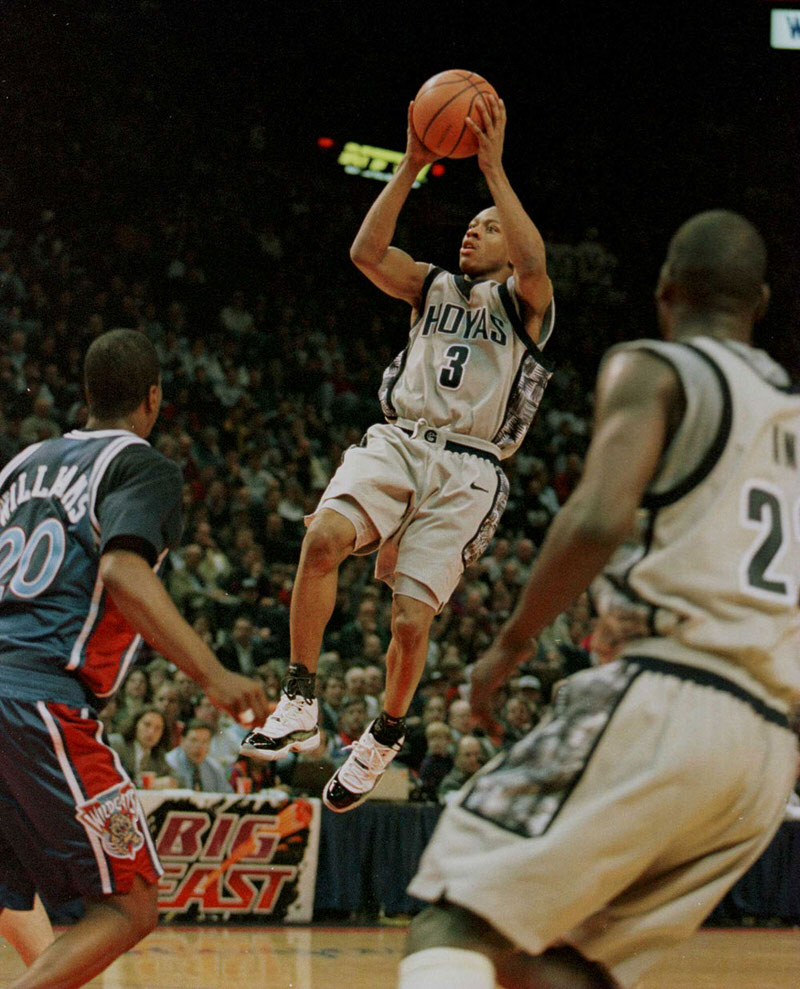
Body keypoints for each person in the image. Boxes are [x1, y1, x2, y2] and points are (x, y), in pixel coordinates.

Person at [399, 210, 800, 989]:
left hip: (673, 694)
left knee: (451, 913)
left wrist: (510, 643)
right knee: (554, 965)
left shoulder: (655, 367)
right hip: (766, 755)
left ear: (664, 291)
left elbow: (597, 516)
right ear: (761, 300)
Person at [242, 93, 556, 813]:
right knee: (321, 537)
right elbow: (365, 253)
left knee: (410, 621)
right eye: (470, 225)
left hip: (471, 468)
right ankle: (299, 694)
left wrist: (493, 170)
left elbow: (535, 258)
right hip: (401, 438)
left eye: (487, 228)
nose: (472, 234)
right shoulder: (433, 284)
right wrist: (413, 161)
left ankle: (383, 734)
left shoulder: (525, 302)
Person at [0, 328, 267, 989]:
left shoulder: (22, 463)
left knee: (10, 887)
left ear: (86, 394)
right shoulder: (140, 465)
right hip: (38, 695)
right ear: (153, 398)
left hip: (16, 690)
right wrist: (214, 672)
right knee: (131, 899)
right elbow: (122, 567)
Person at [108, 707, 176, 790]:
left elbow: (178, 778)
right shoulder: (116, 744)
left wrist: (169, 781)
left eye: (158, 728)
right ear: (136, 724)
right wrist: (142, 784)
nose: (151, 732)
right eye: (147, 725)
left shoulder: (158, 755)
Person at [165, 720, 232, 793]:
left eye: (205, 742)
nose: (199, 747)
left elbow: (228, 795)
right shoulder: (169, 763)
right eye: (194, 740)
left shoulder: (214, 768)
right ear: (182, 741)